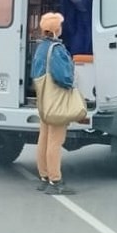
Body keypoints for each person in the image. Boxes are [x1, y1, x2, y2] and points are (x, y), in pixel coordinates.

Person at [30, 12, 76, 194]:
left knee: (44, 137)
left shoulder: (40, 48)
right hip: (55, 99)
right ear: (56, 30)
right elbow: (64, 77)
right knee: (56, 140)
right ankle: (55, 181)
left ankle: (43, 177)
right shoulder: (56, 50)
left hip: (43, 98)